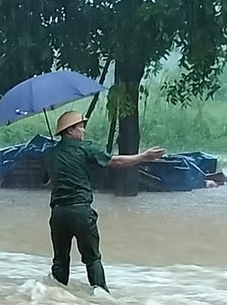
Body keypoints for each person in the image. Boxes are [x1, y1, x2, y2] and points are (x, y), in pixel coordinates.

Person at [42, 110, 165, 292]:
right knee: (92, 258)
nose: (83, 131)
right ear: (69, 131)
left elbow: (45, 180)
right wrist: (143, 157)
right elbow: (115, 162)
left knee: (60, 261)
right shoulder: (86, 148)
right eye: (80, 127)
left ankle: (54, 299)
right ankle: (101, 299)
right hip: (81, 212)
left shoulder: (49, 154)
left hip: (58, 214)